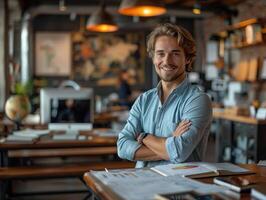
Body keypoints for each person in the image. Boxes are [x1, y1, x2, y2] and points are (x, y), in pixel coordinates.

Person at [117, 23, 212, 168]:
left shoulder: (198, 100)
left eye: (175, 53)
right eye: (160, 54)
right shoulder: (144, 100)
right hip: (141, 185)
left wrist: (144, 137)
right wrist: (170, 142)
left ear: (187, 59)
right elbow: (122, 147)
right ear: (153, 58)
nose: (166, 61)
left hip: (179, 187)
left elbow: (179, 152)